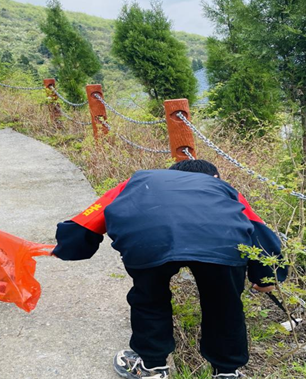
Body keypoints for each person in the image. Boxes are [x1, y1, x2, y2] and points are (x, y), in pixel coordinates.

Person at [52, 160, 288, 379]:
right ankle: (226, 372)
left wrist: (65, 247)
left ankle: (152, 366)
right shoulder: (223, 188)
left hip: (147, 239)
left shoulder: (139, 180)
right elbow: (259, 231)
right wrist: (267, 276)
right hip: (221, 242)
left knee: (149, 299)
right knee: (224, 304)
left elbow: (89, 217)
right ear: (215, 176)